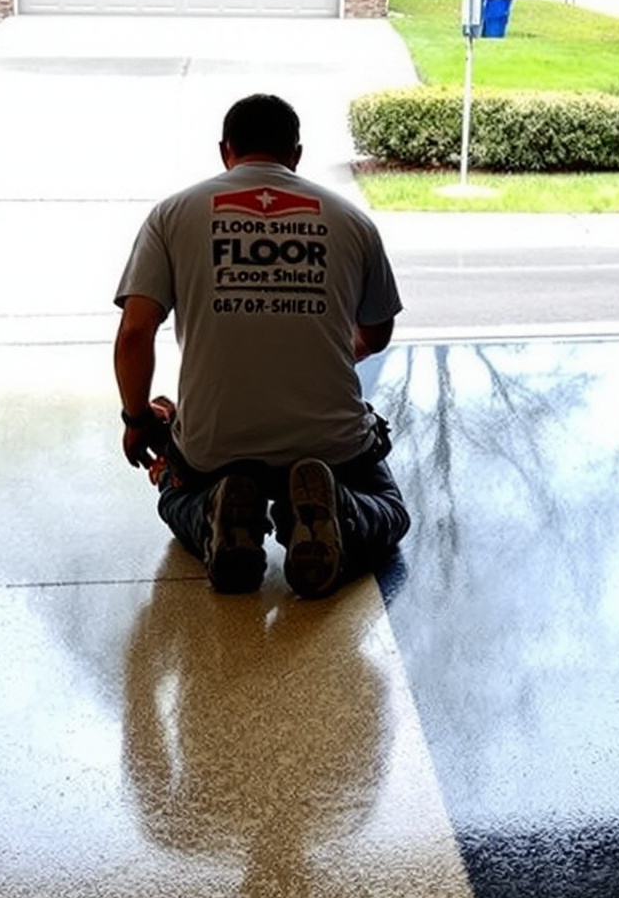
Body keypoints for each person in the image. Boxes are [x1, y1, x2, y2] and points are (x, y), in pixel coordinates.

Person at [113, 93, 410, 598]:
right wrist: (334, 348)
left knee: (172, 485)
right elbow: (376, 333)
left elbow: (136, 332)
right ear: (296, 154)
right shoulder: (351, 220)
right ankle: (333, 510)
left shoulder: (171, 215)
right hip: (330, 447)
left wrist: (139, 419)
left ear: (225, 151)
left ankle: (215, 516)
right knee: (388, 506)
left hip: (215, 448)